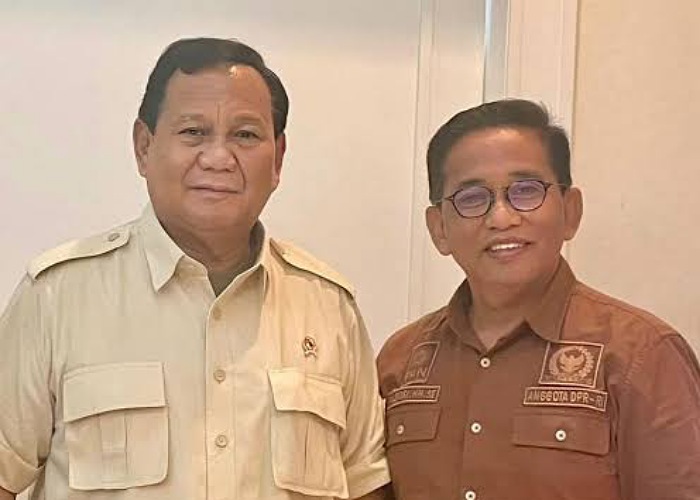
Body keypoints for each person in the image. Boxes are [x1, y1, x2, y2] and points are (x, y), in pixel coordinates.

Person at [0, 37, 390, 500]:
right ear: (144, 147)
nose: (218, 158)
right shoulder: (57, 297)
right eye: (193, 132)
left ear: (278, 158)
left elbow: (366, 484)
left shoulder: (329, 307)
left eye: (245, 135)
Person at [377, 98, 700, 500]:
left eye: (526, 191)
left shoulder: (642, 355)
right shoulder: (401, 361)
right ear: (439, 228)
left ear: (570, 211)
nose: (501, 218)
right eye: (472, 197)